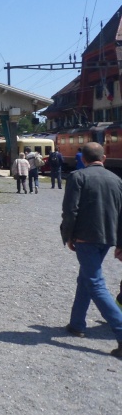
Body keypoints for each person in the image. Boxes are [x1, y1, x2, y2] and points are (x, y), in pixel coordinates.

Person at [59, 141, 122, 359]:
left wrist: (67, 235)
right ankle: (77, 323)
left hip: (85, 237)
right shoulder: (117, 179)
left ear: (82, 159)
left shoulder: (78, 177)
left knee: (95, 283)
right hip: (108, 238)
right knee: (85, 278)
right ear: (103, 158)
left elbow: (70, 211)